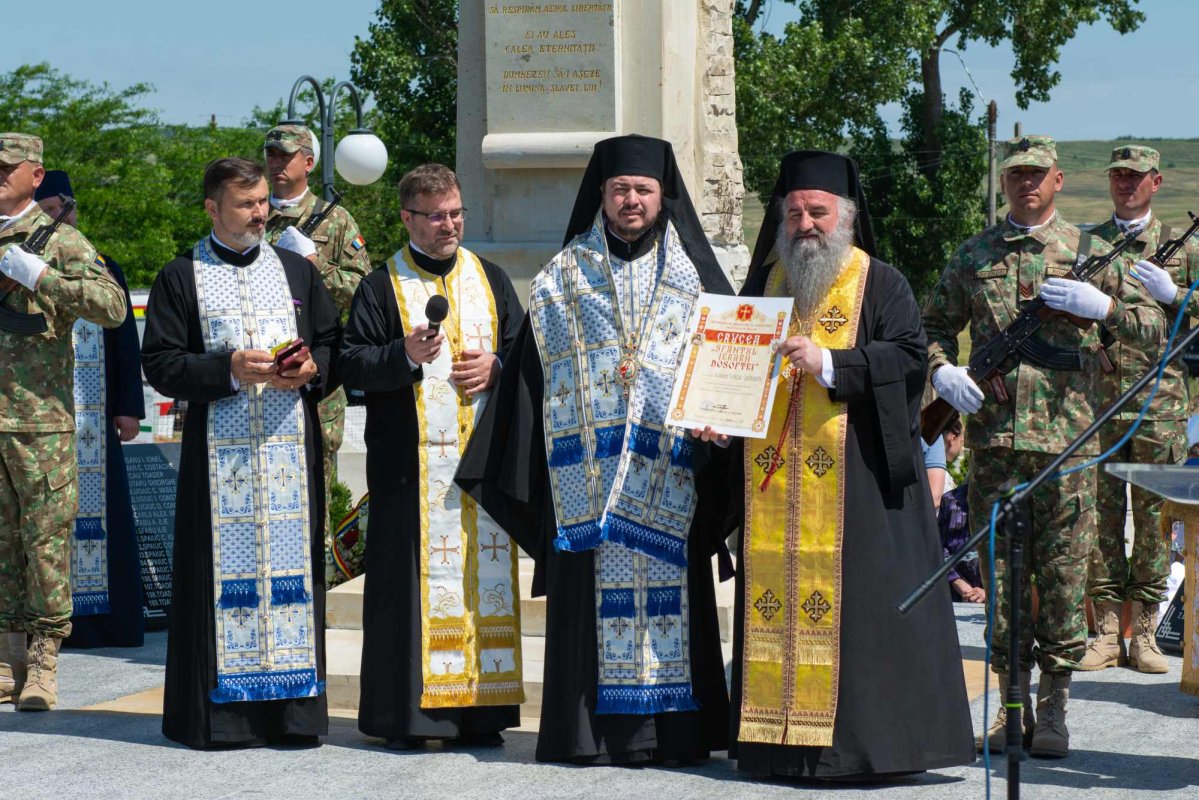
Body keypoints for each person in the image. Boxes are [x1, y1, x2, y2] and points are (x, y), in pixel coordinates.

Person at [456, 134, 734, 765]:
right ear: (601, 196)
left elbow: (728, 362)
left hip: (671, 470)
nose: (630, 201)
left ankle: (676, 736)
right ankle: (589, 737)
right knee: (590, 602)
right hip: (588, 477)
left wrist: (721, 421)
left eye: (642, 190)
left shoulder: (695, 273)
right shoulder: (564, 274)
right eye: (618, 190)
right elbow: (534, 367)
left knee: (676, 601)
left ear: (663, 196)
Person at [712, 150, 974, 780]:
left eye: (818, 212)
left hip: (858, 487)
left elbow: (909, 359)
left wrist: (830, 364)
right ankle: (775, 746)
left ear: (846, 217)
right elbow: (731, 369)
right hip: (774, 484)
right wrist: (718, 417)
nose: (806, 223)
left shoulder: (880, 282)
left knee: (860, 621)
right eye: (794, 211)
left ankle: (863, 750)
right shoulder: (765, 285)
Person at [923, 135, 1165, 758]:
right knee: (1003, 585)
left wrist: (1106, 305)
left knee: (1061, 583)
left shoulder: (1092, 252)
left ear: (1058, 181)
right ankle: (1011, 709)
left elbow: (1153, 327)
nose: (1026, 184)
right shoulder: (974, 254)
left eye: (1037, 175)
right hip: (996, 450)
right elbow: (929, 326)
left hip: (1068, 448)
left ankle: (1054, 709)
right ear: (1004, 184)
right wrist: (942, 370)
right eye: (1015, 176)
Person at [142, 157, 340, 748]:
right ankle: (224, 722)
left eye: (262, 203)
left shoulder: (296, 271)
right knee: (218, 581)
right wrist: (226, 367)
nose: (259, 215)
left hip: (289, 457)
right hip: (218, 461)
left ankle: (294, 718)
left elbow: (334, 345)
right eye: (245, 205)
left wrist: (309, 371)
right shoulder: (181, 276)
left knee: (294, 580)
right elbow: (160, 362)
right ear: (212, 209)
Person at [340, 163, 525, 750]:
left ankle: (481, 713)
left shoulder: (489, 277)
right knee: (408, 590)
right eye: (436, 215)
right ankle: (410, 719)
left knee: (482, 583)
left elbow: (527, 355)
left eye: (455, 213)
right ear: (407, 218)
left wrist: (498, 367)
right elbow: (350, 364)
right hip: (408, 473)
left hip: (482, 469)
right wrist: (404, 354)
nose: (449, 225)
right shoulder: (379, 286)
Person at [0, 134, 127, 711]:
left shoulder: (60, 239)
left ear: (36, 174)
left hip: (39, 423)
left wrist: (41, 277)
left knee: (45, 543)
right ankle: (7, 658)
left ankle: (44, 662)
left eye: (8, 168)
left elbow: (113, 306)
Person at [1082, 145, 1199, 674]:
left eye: (1136, 177)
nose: (1125, 184)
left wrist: (1178, 295)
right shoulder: (1086, 243)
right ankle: (1107, 630)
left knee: (1152, 518)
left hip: (1162, 401)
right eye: (1118, 176)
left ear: (1156, 182)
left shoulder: (1186, 246)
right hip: (1100, 400)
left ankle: (1146, 632)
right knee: (1101, 514)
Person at [35, 171, 147, 649]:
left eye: (70, 206)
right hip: (45, 413)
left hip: (96, 420)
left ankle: (108, 621)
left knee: (106, 518)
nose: (67, 214)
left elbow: (124, 343)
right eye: (57, 206)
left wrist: (128, 409)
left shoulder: (102, 266)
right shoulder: (21, 265)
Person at [263, 124, 372, 588]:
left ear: (308, 162)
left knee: (314, 479)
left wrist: (316, 266)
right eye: (270, 155)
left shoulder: (335, 221)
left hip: (317, 374)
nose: (275, 164)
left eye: (285, 156)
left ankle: (317, 581)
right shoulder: (254, 216)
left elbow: (366, 292)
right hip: (263, 371)